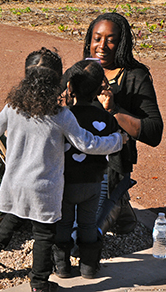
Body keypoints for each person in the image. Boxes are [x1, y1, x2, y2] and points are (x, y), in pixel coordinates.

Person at [0, 48, 127, 292]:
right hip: (43, 188)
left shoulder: (14, 108)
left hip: (16, 182)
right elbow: (87, 143)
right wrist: (117, 141)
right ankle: (39, 283)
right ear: (57, 82)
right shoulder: (61, 116)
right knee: (43, 235)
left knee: (15, 216)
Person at [83, 13, 164, 235]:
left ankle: (117, 197)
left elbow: (154, 132)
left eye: (111, 39)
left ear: (121, 43)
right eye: (97, 38)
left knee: (87, 236)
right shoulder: (83, 71)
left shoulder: (135, 76)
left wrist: (114, 110)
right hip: (77, 159)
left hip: (111, 165)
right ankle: (120, 204)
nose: (102, 46)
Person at [52, 59, 120, 279]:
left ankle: (62, 267)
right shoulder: (106, 119)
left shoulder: (64, 117)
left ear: (70, 87)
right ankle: (89, 267)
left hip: (66, 182)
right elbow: (112, 151)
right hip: (92, 183)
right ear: (99, 89)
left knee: (63, 223)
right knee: (88, 223)